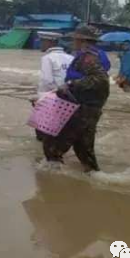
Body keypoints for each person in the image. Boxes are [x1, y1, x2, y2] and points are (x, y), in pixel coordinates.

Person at [43, 27, 110, 172]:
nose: (73, 41)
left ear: (83, 40)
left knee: (52, 144)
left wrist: (71, 85)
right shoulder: (93, 55)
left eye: (75, 39)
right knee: (84, 149)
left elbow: (101, 80)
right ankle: (93, 179)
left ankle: (49, 180)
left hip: (81, 109)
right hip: (88, 108)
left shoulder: (88, 57)